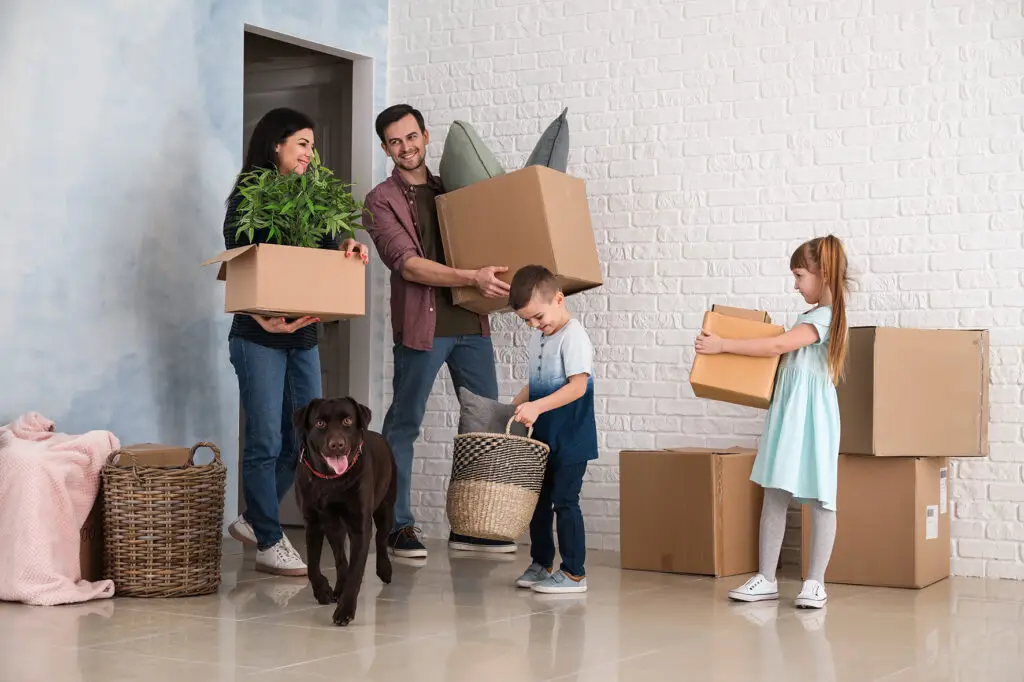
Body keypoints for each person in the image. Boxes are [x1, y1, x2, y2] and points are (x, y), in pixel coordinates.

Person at [363, 103, 516, 559]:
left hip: (471, 322)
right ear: (385, 148)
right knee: (404, 424)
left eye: (412, 137)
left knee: (486, 424)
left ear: (426, 137)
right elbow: (408, 265)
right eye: (395, 141)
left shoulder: (454, 187)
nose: (406, 147)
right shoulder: (379, 201)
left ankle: (474, 525)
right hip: (422, 327)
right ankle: (397, 525)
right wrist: (471, 277)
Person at [223, 107, 369, 576]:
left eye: (311, 144)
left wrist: (350, 245)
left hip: (303, 333)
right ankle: (268, 539)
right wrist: (261, 317)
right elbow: (239, 265)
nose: (310, 152)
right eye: (302, 143)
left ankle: (252, 518)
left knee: (309, 439)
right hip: (256, 338)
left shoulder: (314, 198)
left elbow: (331, 249)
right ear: (276, 146)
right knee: (265, 441)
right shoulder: (248, 201)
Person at [695, 235, 850, 609]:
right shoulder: (810, 317)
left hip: (813, 415)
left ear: (823, 273)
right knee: (775, 490)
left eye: (799, 275)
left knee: (821, 497)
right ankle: (766, 577)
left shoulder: (825, 318)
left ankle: (816, 582)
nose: (795, 284)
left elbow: (778, 347)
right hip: (790, 411)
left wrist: (723, 345)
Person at [508, 266, 598, 594]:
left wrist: (537, 407)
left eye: (538, 317)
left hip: (572, 436)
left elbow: (577, 387)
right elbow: (537, 385)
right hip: (543, 437)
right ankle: (541, 562)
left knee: (565, 500)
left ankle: (574, 572)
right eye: (527, 321)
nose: (533, 325)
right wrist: (514, 407)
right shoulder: (540, 336)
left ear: (559, 299)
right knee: (539, 500)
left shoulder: (573, 335)